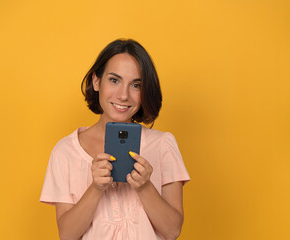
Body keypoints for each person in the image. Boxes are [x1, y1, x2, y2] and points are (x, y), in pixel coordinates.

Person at [40, 39, 190, 240]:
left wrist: (145, 186)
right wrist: (96, 188)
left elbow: (172, 231)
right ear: (96, 81)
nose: (123, 95)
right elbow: (67, 235)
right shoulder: (65, 151)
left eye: (136, 85)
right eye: (114, 80)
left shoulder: (163, 144)